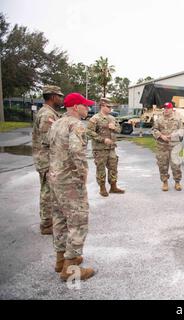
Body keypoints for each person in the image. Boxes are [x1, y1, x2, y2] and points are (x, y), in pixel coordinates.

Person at [48, 93, 96, 281]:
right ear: (76, 107)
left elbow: (49, 147)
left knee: (59, 219)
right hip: (69, 180)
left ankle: (61, 260)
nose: (87, 108)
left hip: (55, 178)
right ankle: (70, 268)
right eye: (85, 105)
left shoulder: (57, 123)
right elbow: (77, 151)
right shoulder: (76, 125)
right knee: (78, 221)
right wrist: (83, 174)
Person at [31, 85, 64, 235]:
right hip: (47, 160)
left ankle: (50, 221)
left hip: (49, 159)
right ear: (52, 97)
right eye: (59, 96)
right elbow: (47, 139)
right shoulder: (46, 115)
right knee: (47, 193)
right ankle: (46, 225)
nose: (61, 99)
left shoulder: (50, 113)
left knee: (50, 191)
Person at [87, 97, 125, 197]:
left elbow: (119, 130)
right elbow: (89, 132)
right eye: (108, 107)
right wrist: (103, 139)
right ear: (102, 105)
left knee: (113, 167)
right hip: (100, 149)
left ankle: (113, 186)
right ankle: (102, 188)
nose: (110, 109)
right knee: (101, 168)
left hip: (111, 148)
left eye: (111, 107)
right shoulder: (95, 118)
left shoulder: (112, 118)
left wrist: (114, 127)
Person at [152, 102, 184, 191]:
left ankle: (177, 182)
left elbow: (182, 130)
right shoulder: (159, 119)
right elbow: (154, 130)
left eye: (168, 108)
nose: (166, 110)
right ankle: (165, 182)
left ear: (172, 109)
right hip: (162, 146)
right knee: (162, 165)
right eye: (165, 108)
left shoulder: (177, 119)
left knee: (176, 165)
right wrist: (161, 136)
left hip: (174, 146)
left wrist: (173, 136)